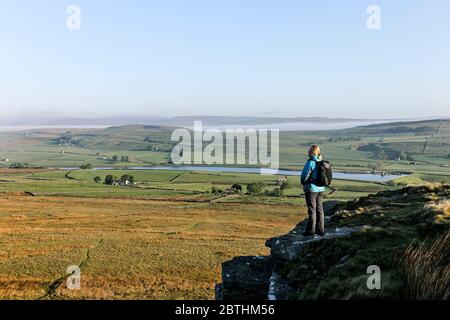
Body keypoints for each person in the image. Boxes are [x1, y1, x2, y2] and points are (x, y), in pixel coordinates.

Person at [300, 144, 326, 236]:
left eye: (309, 150)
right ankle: (320, 230)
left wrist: (303, 183)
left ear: (312, 152)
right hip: (321, 189)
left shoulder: (310, 162)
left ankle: (311, 230)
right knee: (320, 208)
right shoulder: (322, 161)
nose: (307, 152)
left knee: (312, 209)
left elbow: (304, 176)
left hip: (312, 189)